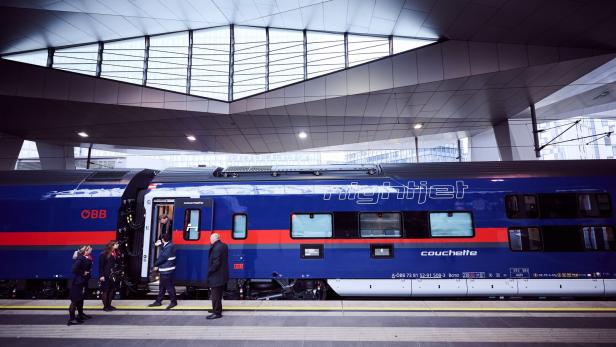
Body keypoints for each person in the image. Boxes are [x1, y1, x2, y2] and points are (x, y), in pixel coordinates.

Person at [148, 232, 177, 309]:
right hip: (166, 270)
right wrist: (160, 245)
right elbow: (164, 252)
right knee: (162, 287)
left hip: (166, 270)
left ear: (163, 239)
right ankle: (158, 301)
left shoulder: (169, 247)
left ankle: (173, 302)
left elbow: (163, 257)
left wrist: (155, 265)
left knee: (169, 287)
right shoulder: (169, 245)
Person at [68, 245, 93, 326]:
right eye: (90, 248)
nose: (91, 248)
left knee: (80, 299)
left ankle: (80, 314)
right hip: (78, 283)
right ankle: (71, 319)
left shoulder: (87, 257)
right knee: (75, 301)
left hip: (82, 281)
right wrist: (83, 272)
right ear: (86, 250)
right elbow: (73, 269)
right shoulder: (81, 258)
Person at [206, 233, 228, 319]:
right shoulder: (224, 246)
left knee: (215, 295)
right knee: (218, 294)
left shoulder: (216, 248)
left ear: (213, 239)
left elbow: (216, 263)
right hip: (222, 274)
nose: (210, 241)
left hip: (216, 275)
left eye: (210, 239)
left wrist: (210, 271)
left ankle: (217, 313)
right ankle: (217, 309)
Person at [99, 240, 120, 311]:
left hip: (113, 275)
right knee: (106, 291)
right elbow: (101, 266)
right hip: (106, 275)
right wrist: (101, 275)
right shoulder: (104, 254)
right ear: (112, 245)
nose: (118, 245)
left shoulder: (116, 253)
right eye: (116, 244)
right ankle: (105, 307)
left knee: (111, 290)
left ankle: (109, 305)